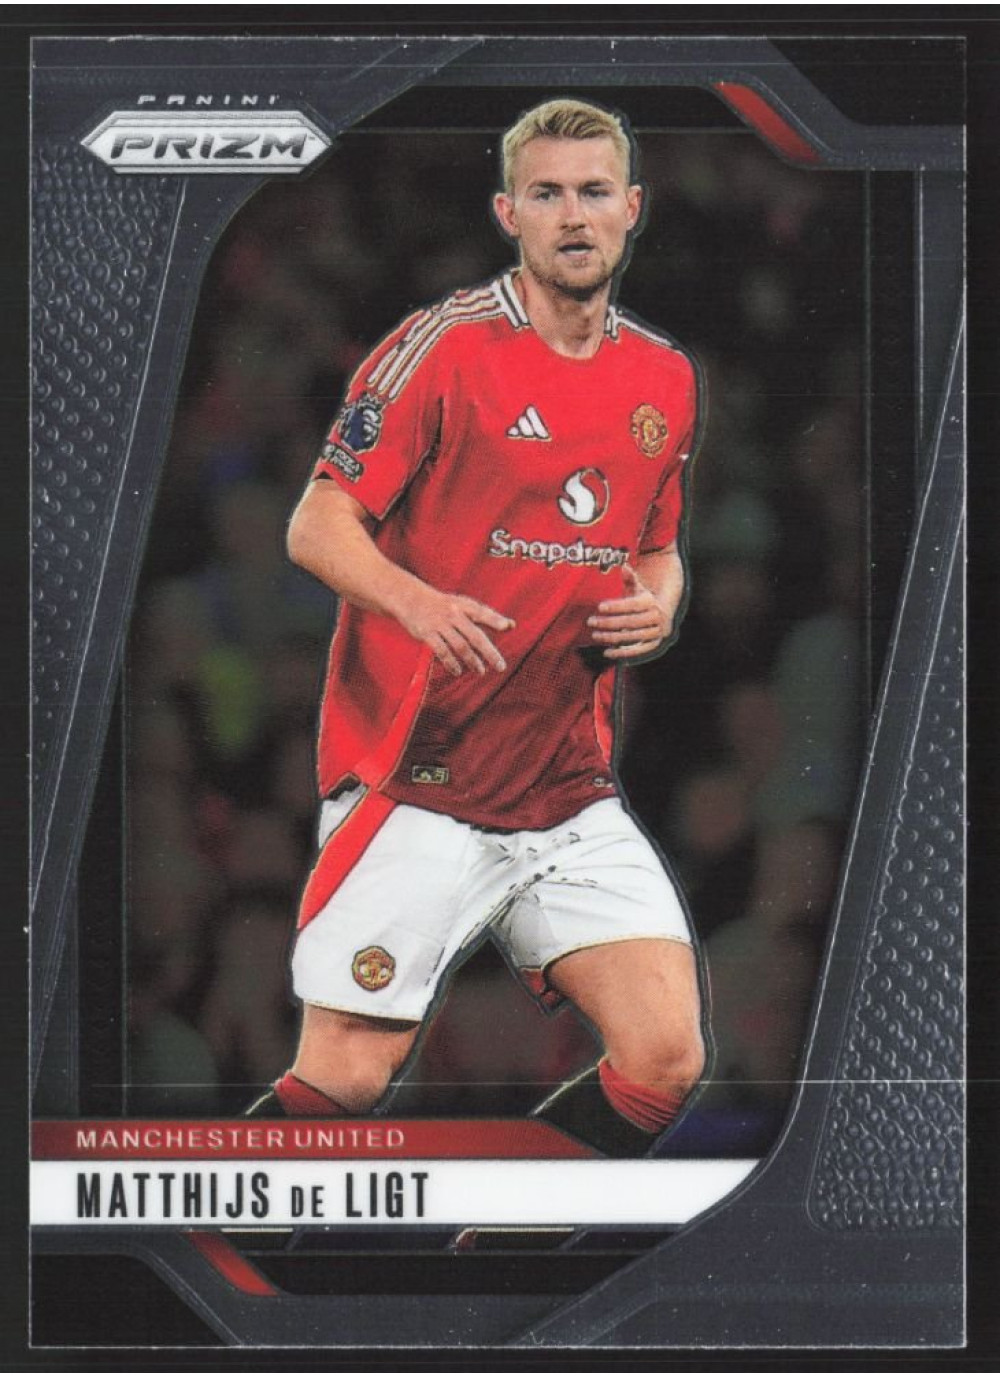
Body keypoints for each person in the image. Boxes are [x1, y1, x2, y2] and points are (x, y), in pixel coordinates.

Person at [246, 99, 707, 1156]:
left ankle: (501, 1243)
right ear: (509, 213)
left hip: (564, 787)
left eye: (594, 192)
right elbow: (316, 522)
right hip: (419, 774)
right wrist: (418, 602)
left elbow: (658, 545)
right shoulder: (444, 348)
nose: (573, 215)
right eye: (547, 194)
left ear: (632, 208)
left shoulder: (665, 379)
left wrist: (661, 600)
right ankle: (187, 1250)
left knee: (665, 1056)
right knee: (347, 1075)